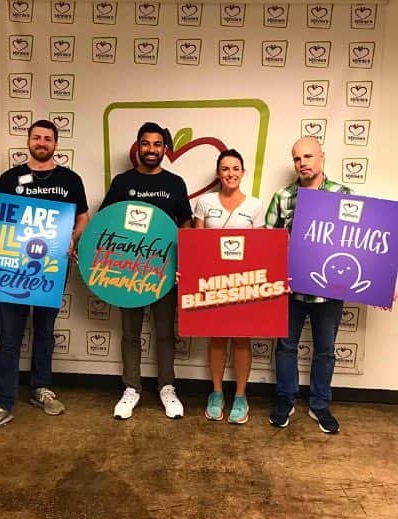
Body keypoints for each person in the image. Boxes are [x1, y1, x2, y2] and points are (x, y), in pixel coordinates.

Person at [0, 120, 90, 439]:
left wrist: (74, 239)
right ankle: (3, 402)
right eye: (36, 137)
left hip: (52, 268)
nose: (42, 142)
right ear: (28, 141)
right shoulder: (10, 178)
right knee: (9, 336)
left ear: (56, 144)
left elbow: (82, 216)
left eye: (48, 138)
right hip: (12, 268)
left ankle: (41, 388)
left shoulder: (70, 180)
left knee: (45, 331)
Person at [99, 123, 193, 420]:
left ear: (165, 148)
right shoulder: (121, 182)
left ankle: (167, 387)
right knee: (130, 333)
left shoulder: (175, 183)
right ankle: (132, 388)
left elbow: (187, 225)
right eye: (146, 144)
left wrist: (183, 261)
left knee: (165, 332)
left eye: (157, 144)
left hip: (165, 272)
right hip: (128, 272)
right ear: (137, 147)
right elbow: (105, 222)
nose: (151, 149)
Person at [265, 137, 351, 434]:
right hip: (291, 290)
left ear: (321, 157)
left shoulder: (342, 194)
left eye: (308, 156)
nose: (303, 163)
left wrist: (380, 279)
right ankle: (285, 400)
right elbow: (268, 242)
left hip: (329, 292)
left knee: (326, 350)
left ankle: (319, 405)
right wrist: (278, 274)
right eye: (297, 158)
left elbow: (355, 243)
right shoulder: (283, 197)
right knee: (286, 347)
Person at [192, 149, 266, 424]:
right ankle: (216, 393)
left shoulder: (255, 205)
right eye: (225, 168)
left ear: (243, 172)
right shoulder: (204, 202)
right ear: (218, 173)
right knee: (217, 338)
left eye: (236, 168)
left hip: (243, 282)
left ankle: (241, 396)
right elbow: (196, 245)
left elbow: (261, 248)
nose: (230, 173)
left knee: (242, 338)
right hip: (212, 283)